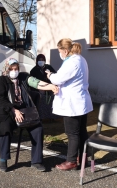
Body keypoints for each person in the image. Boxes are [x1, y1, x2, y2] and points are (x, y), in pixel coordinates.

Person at [0, 58, 58, 172]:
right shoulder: (1, 81)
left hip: (24, 110)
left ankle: (36, 161)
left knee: (38, 128)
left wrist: (51, 86)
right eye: (12, 69)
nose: (14, 71)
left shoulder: (23, 77)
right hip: (7, 111)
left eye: (16, 69)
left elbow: (36, 83)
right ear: (7, 69)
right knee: (5, 127)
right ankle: (3, 158)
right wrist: (14, 110)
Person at [45, 38, 93, 171]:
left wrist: (50, 75)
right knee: (81, 131)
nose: (60, 54)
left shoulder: (72, 62)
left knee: (72, 133)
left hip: (73, 104)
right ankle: (83, 158)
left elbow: (58, 78)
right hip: (80, 101)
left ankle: (71, 161)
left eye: (60, 51)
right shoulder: (80, 59)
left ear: (65, 51)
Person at [30, 54, 59, 120]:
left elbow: (55, 75)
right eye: (39, 60)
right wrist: (39, 89)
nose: (41, 61)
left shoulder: (49, 67)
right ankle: (42, 117)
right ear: (37, 61)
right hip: (40, 90)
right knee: (41, 103)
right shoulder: (33, 70)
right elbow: (32, 83)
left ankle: (52, 116)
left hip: (50, 89)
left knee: (52, 102)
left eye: (42, 60)